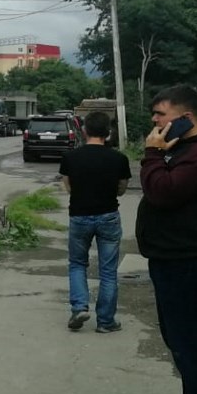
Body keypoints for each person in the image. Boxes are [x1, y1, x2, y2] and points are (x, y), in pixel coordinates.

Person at [136, 85, 197, 394]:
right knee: (182, 345)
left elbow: (163, 193)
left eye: (161, 114)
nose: (154, 121)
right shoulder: (183, 147)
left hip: (190, 262)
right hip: (172, 260)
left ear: (187, 117)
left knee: (191, 348)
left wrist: (153, 154)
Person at [59, 111, 131, 332]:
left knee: (78, 264)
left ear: (84, 130)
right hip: (109, 216)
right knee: (108, 271)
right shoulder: (119, 159)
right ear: (108, 133)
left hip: (79, 216)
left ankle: (80, 306)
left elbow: (68, 185)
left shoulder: (71, 157)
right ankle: (106, 321)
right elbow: (121, 189)